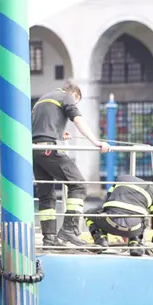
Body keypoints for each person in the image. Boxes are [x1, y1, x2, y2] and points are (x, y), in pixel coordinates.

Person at [32, 83, 110, 248]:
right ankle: (70, 229)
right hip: (49, 148)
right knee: (78, 185)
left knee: (46, 194)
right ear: (75, 95)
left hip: (35, 150)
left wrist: (59, 134)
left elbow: (40, 127)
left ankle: (49, 238)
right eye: (76, 102)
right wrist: (96, 142)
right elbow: (78, 120)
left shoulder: (42, 99)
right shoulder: (66, 97)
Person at [86, 174, 153, 256]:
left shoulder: (120, 181)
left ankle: (101, 240)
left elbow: (105, 204)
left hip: (111, 222)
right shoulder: (152, 192)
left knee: (89, 214)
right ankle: (135, 244)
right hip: (134, 229)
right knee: (142, 219)